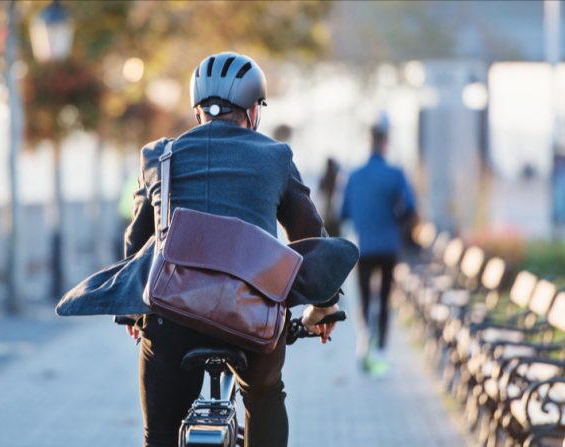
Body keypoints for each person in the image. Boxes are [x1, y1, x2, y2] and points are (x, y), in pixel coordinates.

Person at [122, 52, 341, 447]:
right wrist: (322, 307)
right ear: (254, 112)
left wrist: (132, 310)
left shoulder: (159, 156)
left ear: (197, 112)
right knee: (264, 394)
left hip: (173, 317)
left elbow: (137, 243)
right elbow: (310, 240)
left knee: (160, 431)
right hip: (252, 317)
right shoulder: (276, 157)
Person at [340, 115, 416, 377]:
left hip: (364, 246)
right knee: (384, 298)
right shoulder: (396, 174)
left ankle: (364, 340)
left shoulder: (354, 176)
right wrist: (394, 217)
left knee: (362, 297)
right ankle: (381, 350)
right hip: (389, 245)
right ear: (386, 143)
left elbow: (345, 212)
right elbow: (410, 208)